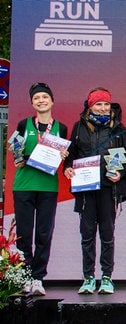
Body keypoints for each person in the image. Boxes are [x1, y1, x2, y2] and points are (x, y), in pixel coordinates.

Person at [64, 87, 126, 295]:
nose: (103, 108)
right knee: (87, 234)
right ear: (90, 106)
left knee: (107, 234)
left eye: (106, 104)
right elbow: (71, 154)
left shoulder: (118, 129)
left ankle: (106, 277)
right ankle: (88, 277)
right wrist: (67, 167)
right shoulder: (78, 128)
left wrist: (120, 174)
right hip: (85, 189)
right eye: (98, 104)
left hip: (109, 189)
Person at [12, 82, 68, 296]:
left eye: (45, 97)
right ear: (32, 103)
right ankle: (25, 276)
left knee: (44, 234)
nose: (41, 100)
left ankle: (38, 278)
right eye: (37, 98)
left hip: (48, 187)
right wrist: (19, 158)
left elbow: (64, 158)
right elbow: (16, 150)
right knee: (24, 234)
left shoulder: (60, 128)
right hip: (24, 186)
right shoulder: (23, 124)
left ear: (52, 101)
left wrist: (63, 157)